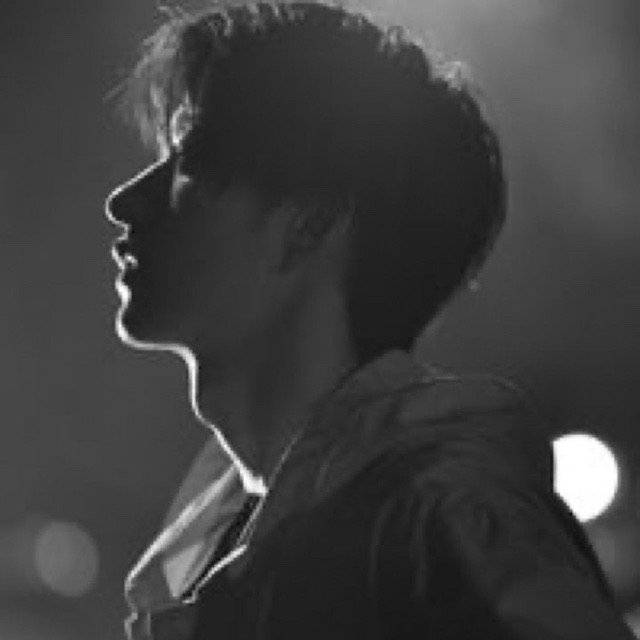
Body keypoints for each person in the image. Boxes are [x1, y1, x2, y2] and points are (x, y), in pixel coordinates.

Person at [105, 2, 635, 638]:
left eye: (188, 160)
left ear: (311, 223)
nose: (124, 201)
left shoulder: (446, 511)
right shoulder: (230, 547)